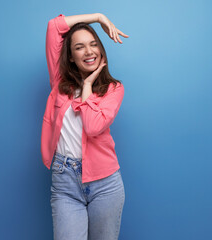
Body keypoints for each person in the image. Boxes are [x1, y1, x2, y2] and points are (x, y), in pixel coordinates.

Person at [41, 12, 129, 240]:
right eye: (79, 47)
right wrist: (99, 18)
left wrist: (88, 86)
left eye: (93, 45)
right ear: (70, 56)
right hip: (64, 181)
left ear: (101, 50)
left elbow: (91, 127)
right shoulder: (59, 81)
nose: (89, 52)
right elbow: (54, 26)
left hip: (105, 184)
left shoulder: (114, 89)